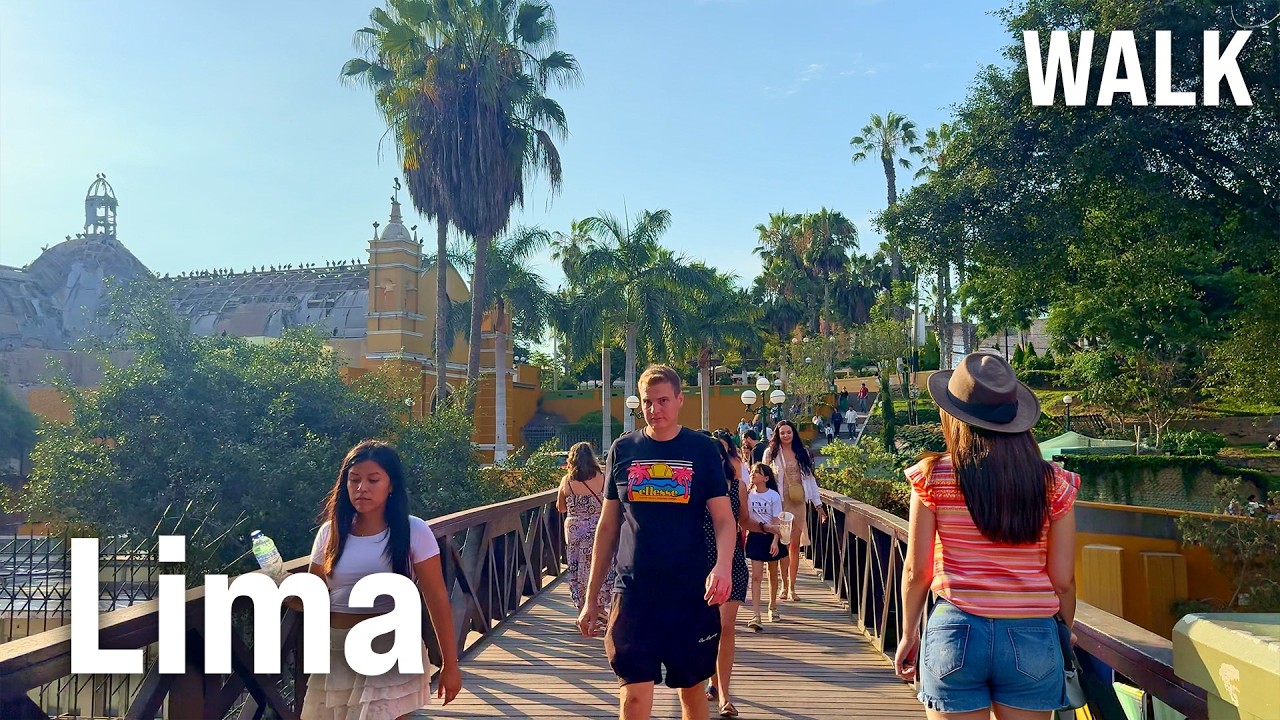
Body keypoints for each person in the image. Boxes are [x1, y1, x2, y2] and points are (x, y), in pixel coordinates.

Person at [893, 352, 1078, 718]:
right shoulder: (1053, 483)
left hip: (955, 630)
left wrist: (908, 632)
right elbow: (1063, 581)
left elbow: (918, 570)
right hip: (1032, 635)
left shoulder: (932, 477)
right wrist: (1064, 633)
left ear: (955, 415)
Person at [577, 364, 737, 720]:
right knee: (632, 696)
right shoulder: (623, 449)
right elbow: (607, 526)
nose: (655, 409)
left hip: (689, 593)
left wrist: (722, 567)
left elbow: (725, 521)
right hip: (635, 592)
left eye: (663, 400)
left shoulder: (702, 449)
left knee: (692, 691)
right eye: (647, 402)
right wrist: (591, 598)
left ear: (680, 400)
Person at [300, 440, 462, 720]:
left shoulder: (414, 530)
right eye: (354, 480)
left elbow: (436, 598)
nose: (362, 488)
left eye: (373, 480)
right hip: (337, 652)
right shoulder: (331, 533)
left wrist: (450, 663)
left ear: (391, 486)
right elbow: (313, 595)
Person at [704, 429, 753, 718]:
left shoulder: (737, 487)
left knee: (725, 626)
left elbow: (744, 519)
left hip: (731, 559)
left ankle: (724, 694)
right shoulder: (692, 489)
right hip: (698, 562)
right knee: (703, 627)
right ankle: (708, 680)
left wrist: (769, 528)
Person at [763, 420, 827, 601]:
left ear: (793, 433)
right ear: (777, 434)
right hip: (780, 502)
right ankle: (783, 585)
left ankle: (792, 586)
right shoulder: (771, 453)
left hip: (798, 502)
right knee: (783, 542)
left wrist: (818, 505)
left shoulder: (802, 452)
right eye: (782, 433)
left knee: (794, 545)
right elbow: (763, 477)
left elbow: (810, 480)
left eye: (788, 432)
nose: (785, 436)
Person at [556, 441, 615, 630]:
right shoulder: (603, 478)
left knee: (577, 567)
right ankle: (599, 607)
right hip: (598, 529)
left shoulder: (566, 481)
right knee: (600, 564)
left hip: (575, 530)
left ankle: (583, 609)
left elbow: (561, 507)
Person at [744, 463, 786, 631]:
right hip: (755, 535)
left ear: (766, 478)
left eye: (758, 472)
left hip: (771, 535)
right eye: (753, 471)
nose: (753, 474)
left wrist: (775, 541)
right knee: (756, 576)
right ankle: (756, 615)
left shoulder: (773, 496)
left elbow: (777, 521)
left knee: (772, 573)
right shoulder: (748, 495)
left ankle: (772, 606)